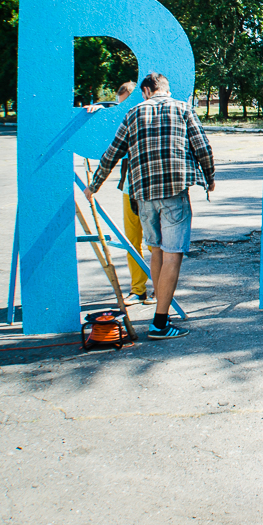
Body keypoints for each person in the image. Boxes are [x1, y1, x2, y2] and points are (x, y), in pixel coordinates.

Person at [85, 72, 215, 340]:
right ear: (165, 89)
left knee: (155, 250)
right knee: (173, 254)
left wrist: (94, 185)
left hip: (143, 195)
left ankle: (159, 312)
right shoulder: (182, 109)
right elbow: (202, 147)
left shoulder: (133, 113)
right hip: (174, 192)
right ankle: (159, 323)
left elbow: (113, 152)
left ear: (145, 91)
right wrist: (209, 178)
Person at [85, 81, 152, 305]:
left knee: (155, 243)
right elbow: (109, 135)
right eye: (120, 104)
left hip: (150, 188)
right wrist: (98, 112)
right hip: (129, 187)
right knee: (133, 241)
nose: (122, 108)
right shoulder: (122, 117)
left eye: (126, 103)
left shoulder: (146, 115)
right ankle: (138, 289)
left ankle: (160, 289)